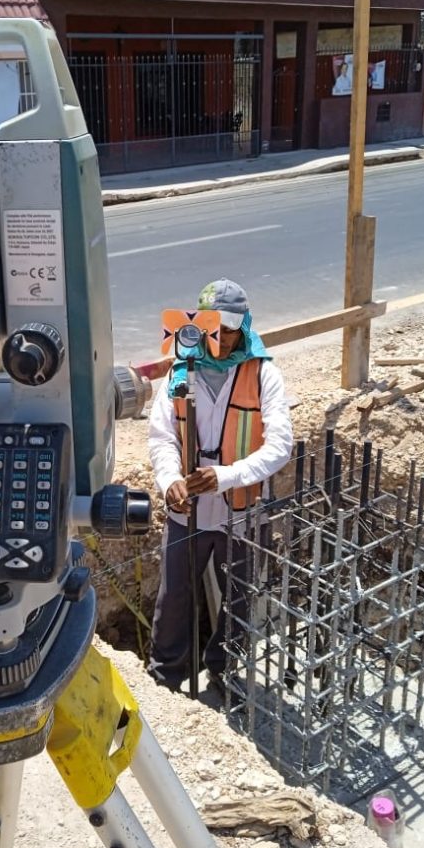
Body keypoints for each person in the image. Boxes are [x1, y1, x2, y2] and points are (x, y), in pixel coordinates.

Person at [147, 278, 293, 693]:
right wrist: (170, 478)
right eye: (218, 330)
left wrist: (225, 476)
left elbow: (280, 445)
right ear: (202, 324)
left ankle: (224, 673)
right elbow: (161, 437)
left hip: (242, 513)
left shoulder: (263, 373)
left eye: (233, 330)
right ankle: (165, 680)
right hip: (186, 514)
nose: (225, 339)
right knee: (174, 599)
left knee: (239, 600)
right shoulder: (179, 371)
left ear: (245, 325)